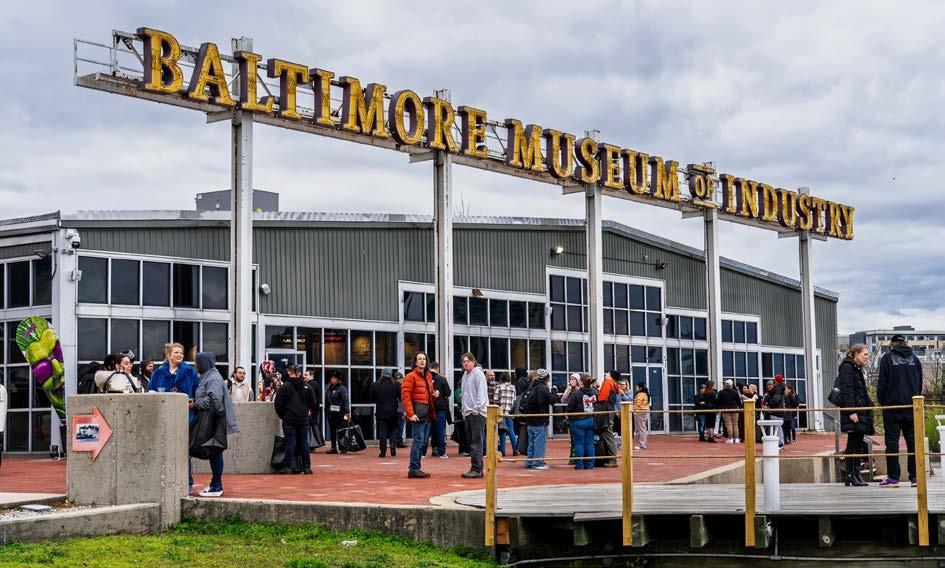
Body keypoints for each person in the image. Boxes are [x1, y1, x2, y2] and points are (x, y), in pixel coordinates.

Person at [877, 334, 923, 487]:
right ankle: (915, 477)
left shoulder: (887, 358)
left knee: (892, 442)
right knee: (913, 442)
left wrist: (883, 402)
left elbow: (882, 383)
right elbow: (920, 383)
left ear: (892, 345)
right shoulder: (915, 359)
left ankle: (893, 477)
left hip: (892, 406)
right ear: (905, 343)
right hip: (912, 406)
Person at [191, 352, 240, 497]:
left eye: (197, 362)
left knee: (215, 451)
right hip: (213, 419)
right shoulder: (208, 376)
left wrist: (195, 403)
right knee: (214, 452)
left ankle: (217, 486)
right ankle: (215, 484)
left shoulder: (212, 378)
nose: (196, 365)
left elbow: (214, 401)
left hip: (215, 420)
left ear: (204, 363)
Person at [838, 344, 874, 487]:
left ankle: (856, 473)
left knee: (859, 443)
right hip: (854, 412)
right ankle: (850, 474)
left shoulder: (857, 368)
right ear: (856, 354)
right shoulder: (847, 368)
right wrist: (851, 411)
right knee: (853, 443)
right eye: (865, 354)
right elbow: (848, 391)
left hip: (861, 410)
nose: (867, 357)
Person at [273, 364, 316, 475]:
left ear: (289, 373)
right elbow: (313, 403)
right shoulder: (307, 387)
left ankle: (287, 467)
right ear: (300, 373)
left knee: (290, 442)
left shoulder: (285, 387)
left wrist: (283, 415)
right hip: (303, 419)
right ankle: (307, 467)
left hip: (289, 419)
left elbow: (278, 404)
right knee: (304, 442)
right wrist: (307, 411)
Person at [402, 352, 436, 478]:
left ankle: (416, 467)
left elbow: (427, 395)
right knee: (418, 441)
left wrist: (434, 394)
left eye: (424, 359)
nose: (422, 361)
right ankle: (414, 468)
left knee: (422, 442)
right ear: (415, 362)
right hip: (417, 414)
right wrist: (411, 414)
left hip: (426, 413)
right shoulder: (410, 376)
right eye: (419, 359)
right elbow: (405, 396)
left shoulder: (428, 375)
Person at [460, 353, 489, 478]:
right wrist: (464, 410)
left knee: (476, 442)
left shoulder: (478, 374)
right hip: (468, 412)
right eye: (464, 361)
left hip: (476, 413)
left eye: (468, 361)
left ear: (473, 362)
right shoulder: (465, 375)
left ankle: (477, 469)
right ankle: (475, 467)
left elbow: (481, 393)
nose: (465, 363)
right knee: (471, 442)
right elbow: (464, 394)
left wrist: (476, 408)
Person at [523, 369, 556, 470]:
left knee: (531, 443)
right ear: (546, 378)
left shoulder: (531, 387)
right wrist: (554, 391)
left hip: (530, 420)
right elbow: (552, 401)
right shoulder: (543, 388)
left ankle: (530, 461)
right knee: (539, 443)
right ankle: (537, 463)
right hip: (540, 419)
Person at [566, 374, 598, 470]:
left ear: (581, 382)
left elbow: (569, 408)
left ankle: (579, 465)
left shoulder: (576, 393)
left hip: (578, 420)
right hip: (591, 419)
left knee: (579, 443)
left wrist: (571, 418)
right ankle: (590, 464)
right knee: (590, 443)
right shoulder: (595, 392)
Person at [371, 368, 401, 458]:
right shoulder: (396, 384)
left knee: (382, 431)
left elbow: (371, 398)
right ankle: (392, 445)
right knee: (394, 429)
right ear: (391, 375)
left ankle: (383, 452)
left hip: (381, 411)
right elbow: (400, 398)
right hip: (393, 411)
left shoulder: (375, 385)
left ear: (382, 374)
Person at [595, 370, 620, 467]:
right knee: (608, 433)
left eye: (608, 373)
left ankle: (612, 459)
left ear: (611, 376)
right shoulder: (615, 385)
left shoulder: (608, 383)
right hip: (610, 411)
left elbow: (601, 398)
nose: (606, 374)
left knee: (608, 434)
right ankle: (610, 458)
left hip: (605, 412)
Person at [429, 361, 452, 458]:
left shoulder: (425, 378)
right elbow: (448, 393)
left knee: (427, 431)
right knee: (440, 430)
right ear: (438, 368)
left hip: (428, 407)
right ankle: (441, 452)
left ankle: (423, 452)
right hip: (440, 407)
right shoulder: (442, 379)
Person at [325, 372, 350, 454]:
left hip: (341, 414)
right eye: (331, 378)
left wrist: (347, 411)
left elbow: (346, 401)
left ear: (338, 379)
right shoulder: (329, 388)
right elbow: (327, 401)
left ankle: (342, 447)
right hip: (331, 414)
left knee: (341, 430)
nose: (331, 379)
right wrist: (326, 411)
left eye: (334, 378)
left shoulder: (342, 388)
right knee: (332, 431)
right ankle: (333, 447)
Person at [495, 371, 518, 456]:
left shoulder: (499, 387)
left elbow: (495, 399)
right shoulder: (513, 387)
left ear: (502, 378)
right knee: (511, 430)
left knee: (502, 431)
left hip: (501, 412)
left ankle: (502, 450)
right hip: (509, 412)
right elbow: (514, 399)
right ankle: (515, 449)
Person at [302, 369, 324, 451]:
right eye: (304, 374)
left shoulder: (312, 384)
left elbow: (312, 399)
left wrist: (310, 409)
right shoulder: (311, 384)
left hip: (311, 410)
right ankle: (311, 445)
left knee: (311, 427)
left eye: (306, 375)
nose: (304, 376)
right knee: (311, 426)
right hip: (311, 409)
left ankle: (312, 444)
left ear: (311, 375)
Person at [765, 375, 787, 447]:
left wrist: (769, 402)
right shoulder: (782, 388)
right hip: (779, 411)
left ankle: (780, 443)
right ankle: (780, 442)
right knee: (778, 427)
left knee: (777, 428)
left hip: (776, 411)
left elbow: (776, 400)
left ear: (776, 380)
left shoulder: (778, 388)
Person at [717, 379, 742, 444]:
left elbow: (719, 402)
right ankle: (736, 438)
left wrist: (719, 409)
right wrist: (740, 407)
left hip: (725, 410)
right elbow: (739, 402)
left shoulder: (721, 392)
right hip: (734, 409)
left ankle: (730, 438)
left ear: (725, 384)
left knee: (728, 425)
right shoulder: (735, 392)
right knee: (735, 424)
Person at [632, 382, 650, 450]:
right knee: (642, 428)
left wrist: (636, 411)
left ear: (640, 388)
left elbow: (638, 403)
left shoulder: (640, 394)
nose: (635, 388)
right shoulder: (645, 394)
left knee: (640, 429)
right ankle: (642, 444)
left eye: (636, 387)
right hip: (642, 412)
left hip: (639, 412)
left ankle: (641, 444)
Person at [393, 370, 407, 448]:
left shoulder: (403, 387)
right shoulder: (400, 387)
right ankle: (398, 441)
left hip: (399, 409)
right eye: (398, 379)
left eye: (400, 379)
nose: (399, 380)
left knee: (399, 426)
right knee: (398, 426)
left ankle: (398, 441)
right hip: (398, 409)